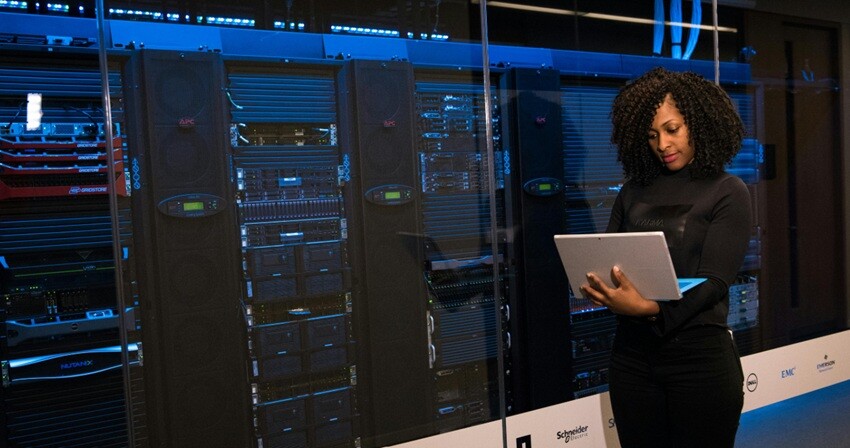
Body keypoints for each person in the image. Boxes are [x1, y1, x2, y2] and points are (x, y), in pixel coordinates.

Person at [579, 66, 752, 448]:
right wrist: (603, 289)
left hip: (700, 362)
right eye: (652, 135)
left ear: (700, 124)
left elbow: (715, 281)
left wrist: (650, 308)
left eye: (672, 130)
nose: (663, 144)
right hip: (631, 360)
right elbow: (611, 260)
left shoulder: (728, 190)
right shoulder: (632, 191)